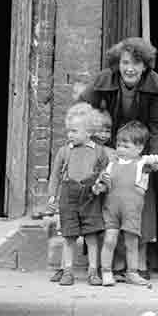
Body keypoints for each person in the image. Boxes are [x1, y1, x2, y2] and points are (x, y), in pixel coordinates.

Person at [81, 37, 158, 274]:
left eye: (136, 63)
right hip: (110, 144)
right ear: (117, 63)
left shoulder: (157, 84)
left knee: (143, 198)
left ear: (145, 66)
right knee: (107, 196)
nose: (130, 68)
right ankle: (110, 259)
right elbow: (82, 112)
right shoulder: (102, 81)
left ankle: (144, 257)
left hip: (141, 146)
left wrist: (149, 159)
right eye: (125, 62)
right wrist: (100, 147)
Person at [98, 121, 158, 287]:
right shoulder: (111, 164)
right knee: (110, 239)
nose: (120, 149)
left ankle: (132, 273)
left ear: (139, 148)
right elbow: (103, 186)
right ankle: (106, 272)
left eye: (126, 146)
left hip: (132, 210)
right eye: (118, 145)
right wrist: (99, 185)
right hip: (111, 208)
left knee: (132, 242)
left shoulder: (142, 164)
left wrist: (155, 158)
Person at [46, 104, 111, 286]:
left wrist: (101, 187)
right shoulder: (65, 151)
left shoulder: (99, 152)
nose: (70, 135)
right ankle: (67, 271)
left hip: (90, 197)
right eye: (69, 131)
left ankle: (93, 271)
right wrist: (52, 197)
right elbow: (55, 175)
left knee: (91, 237)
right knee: (69, 237)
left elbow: (105, 174)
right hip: (68, 197)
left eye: (74, 131)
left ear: (89, 132)